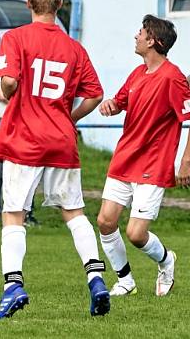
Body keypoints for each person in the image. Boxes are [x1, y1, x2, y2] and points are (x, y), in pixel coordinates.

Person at [0, 0, 110, 320]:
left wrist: (7, 89)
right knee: (73, 211)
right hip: (60, 140)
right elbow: (96, 94)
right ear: (59, 5)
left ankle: (13, 285)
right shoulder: (74, 47)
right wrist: (69, 118)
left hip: (24, 141)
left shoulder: (15, 38)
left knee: (14, 212)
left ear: (28, 4)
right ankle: (96, 278)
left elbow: (8, 83)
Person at [96, 15, 190, 297]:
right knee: (105, 221)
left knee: (136, 234)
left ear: (153, 41)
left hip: (153, 164)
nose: (135, 36)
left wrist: (186, 161)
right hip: (125, 159)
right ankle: (125, 280)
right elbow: (120, 101)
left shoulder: (174, 78)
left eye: (141, 33)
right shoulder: (137, 74)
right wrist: (110, 105)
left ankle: (165, 261)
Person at [0, 75, 37, 226]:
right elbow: (2, 94)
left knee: (27, 171)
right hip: (2, 122)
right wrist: (26, 101)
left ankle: (27, 213)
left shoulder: (25, 70)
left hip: (23, 122)